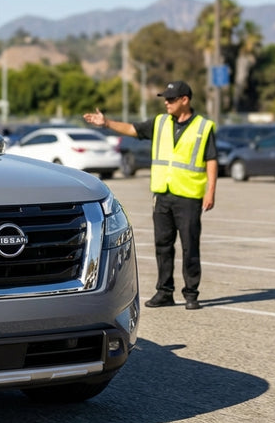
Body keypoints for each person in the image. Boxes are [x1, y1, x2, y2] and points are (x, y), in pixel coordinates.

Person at [83, 80, 217, 310]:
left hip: (189, 196)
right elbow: (133, 129)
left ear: (185, 100)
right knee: (162, 245)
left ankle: (191, 294)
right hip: (162, 195)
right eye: (165, 98)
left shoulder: (203, 128)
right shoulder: (161, 122)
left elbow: (211, 160)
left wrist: (210, 192)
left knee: (189, 246)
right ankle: (164, 292)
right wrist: (106, 123)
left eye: (171, 99)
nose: (166, 102)